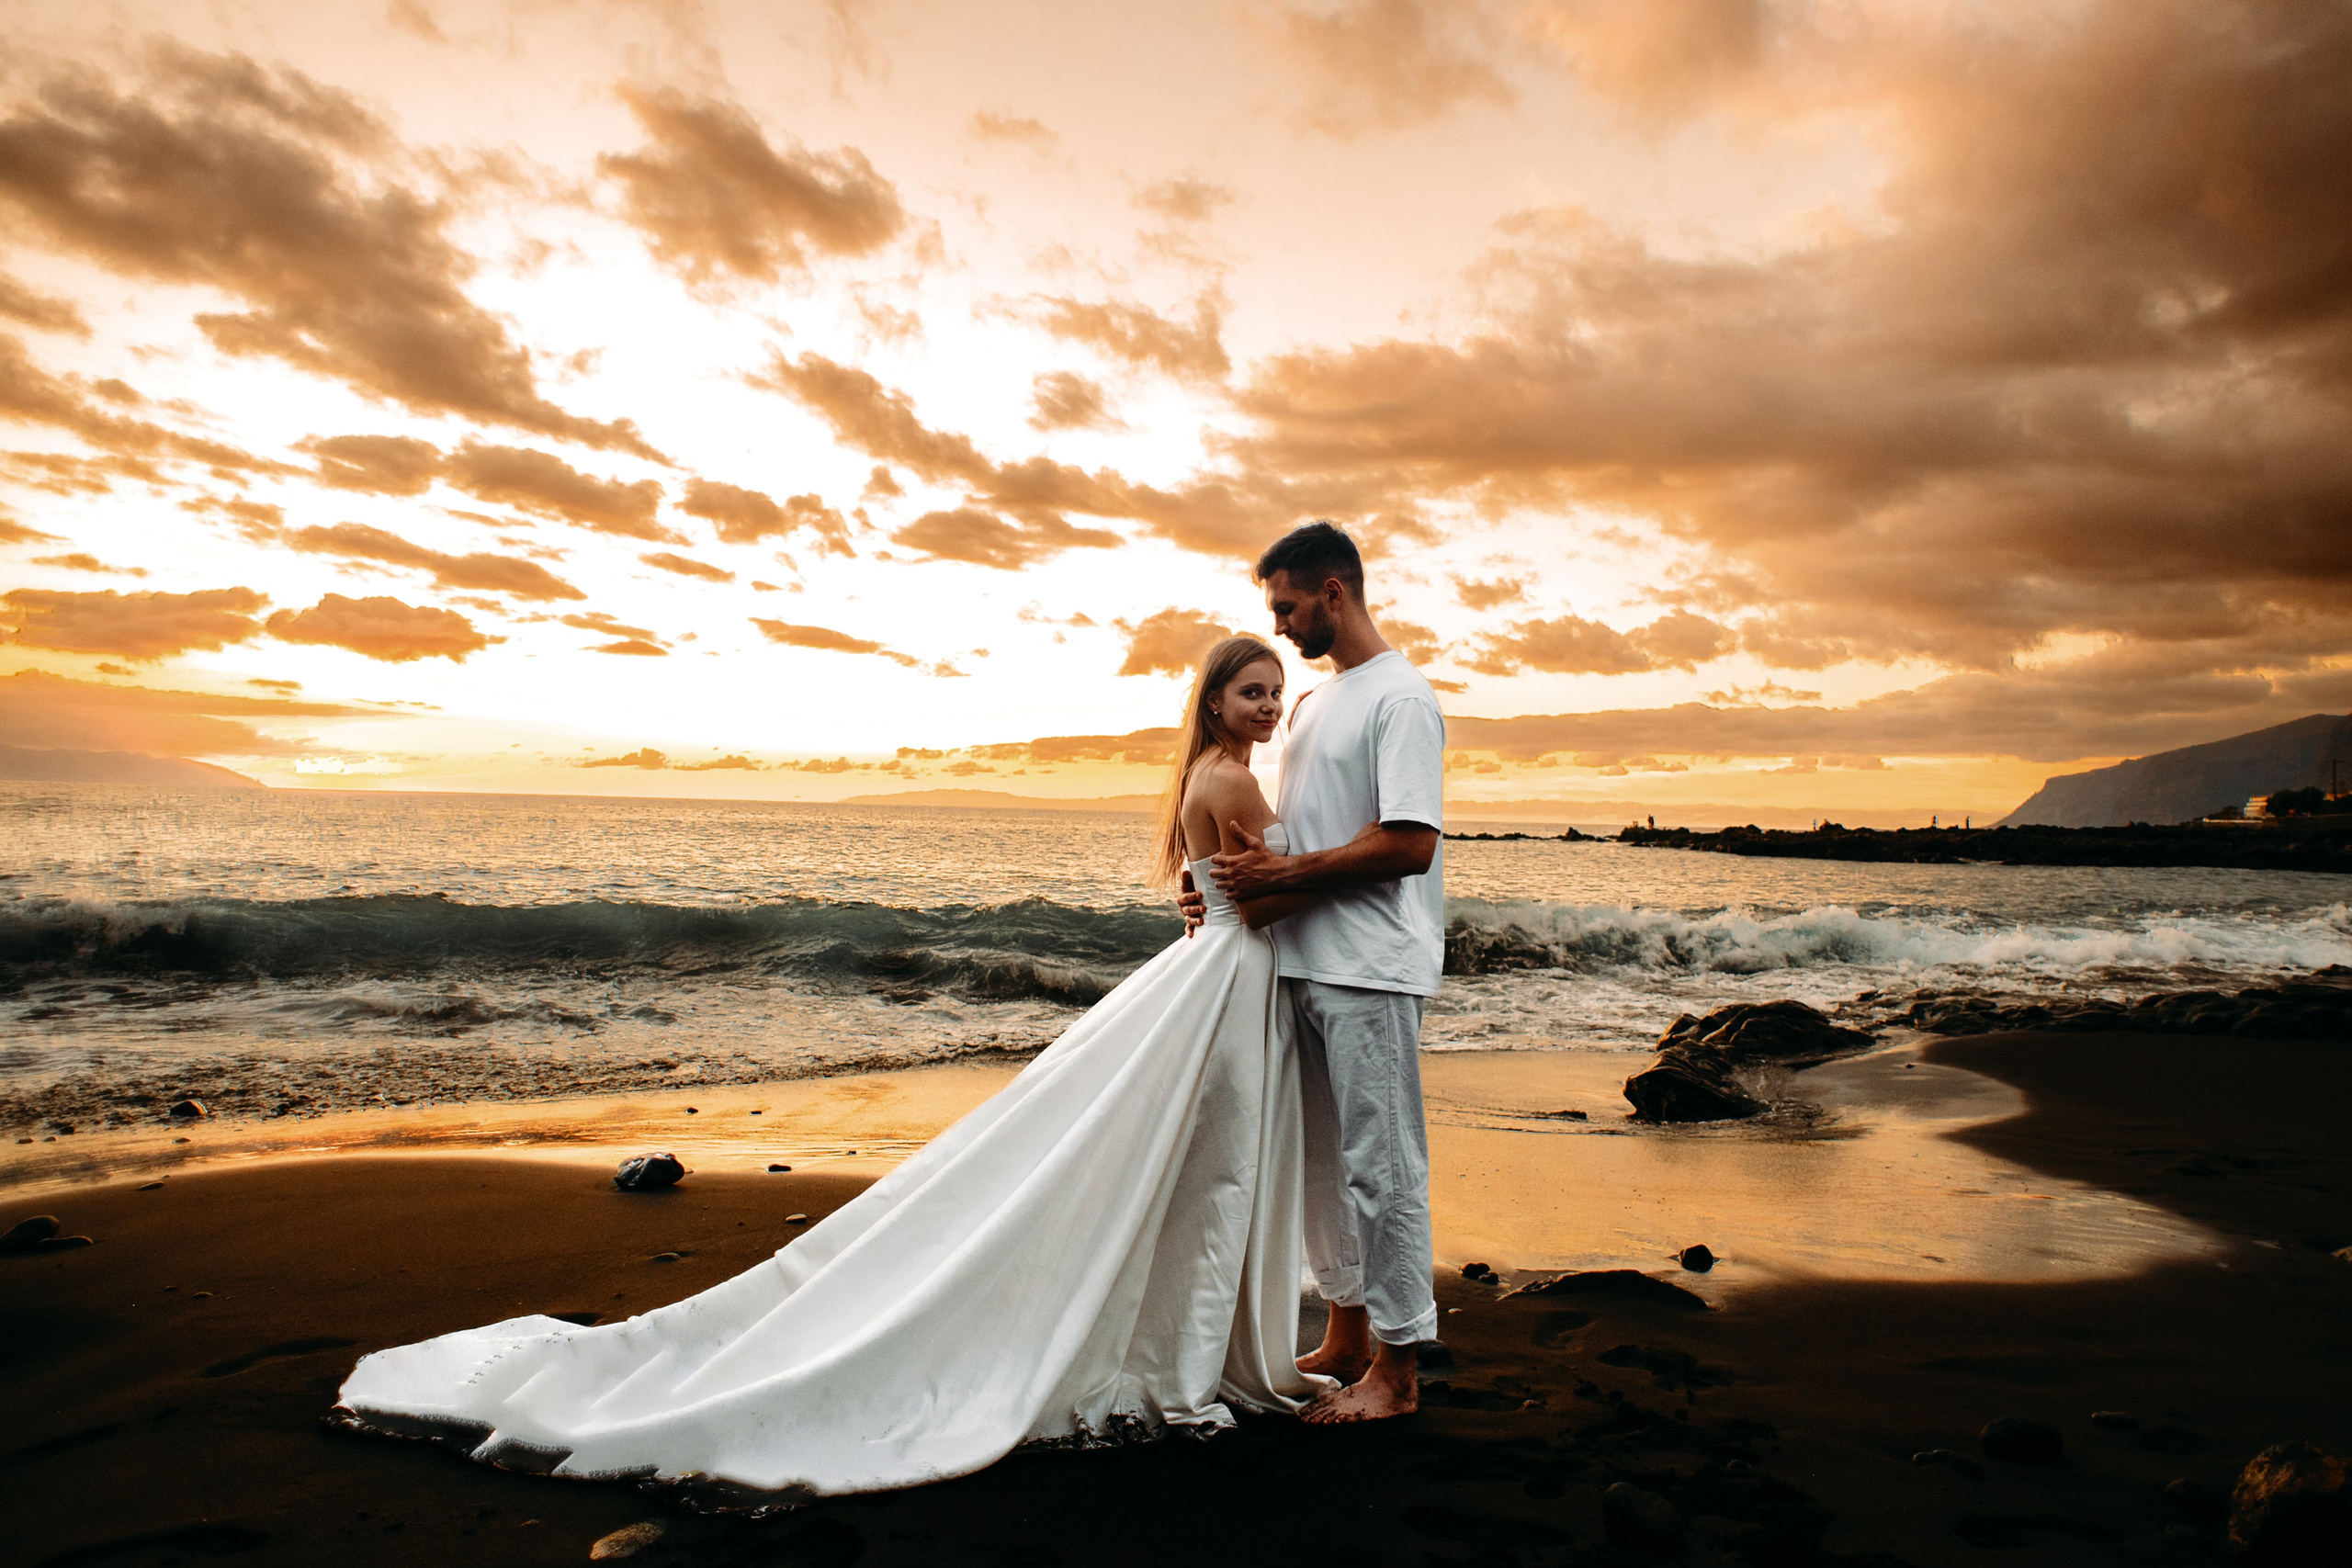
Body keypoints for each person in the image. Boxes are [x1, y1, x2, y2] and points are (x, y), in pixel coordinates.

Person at [334, 636, 1352, 1498]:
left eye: (1273, 694)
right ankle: (1180, 1362)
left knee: (1189, 1165)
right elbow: (1271, 893)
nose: (1265, 708)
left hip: (1210, 967)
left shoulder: (1201, 778)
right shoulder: (1231, 780)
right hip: (1228, 976)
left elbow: (1214, 888)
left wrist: (1239, 896)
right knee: (1209, 1168)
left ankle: (1179, 1344)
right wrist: (1353, 874)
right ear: (1214, 700)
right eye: (1249, 692)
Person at [1182, 520, 1446, 1425]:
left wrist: (1285, 876)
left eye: (1288, 606)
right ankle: (1344, 1331)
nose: (1281, 625)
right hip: (1295, 963)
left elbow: (1408, 844)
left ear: (1332, 593)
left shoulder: (1398, 698)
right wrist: (1207, 889)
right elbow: (1273, 835)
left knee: (1383, 1166)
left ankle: (1398, 1370)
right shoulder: (1309, 707)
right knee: (1320, 1169)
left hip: (1369, 969)